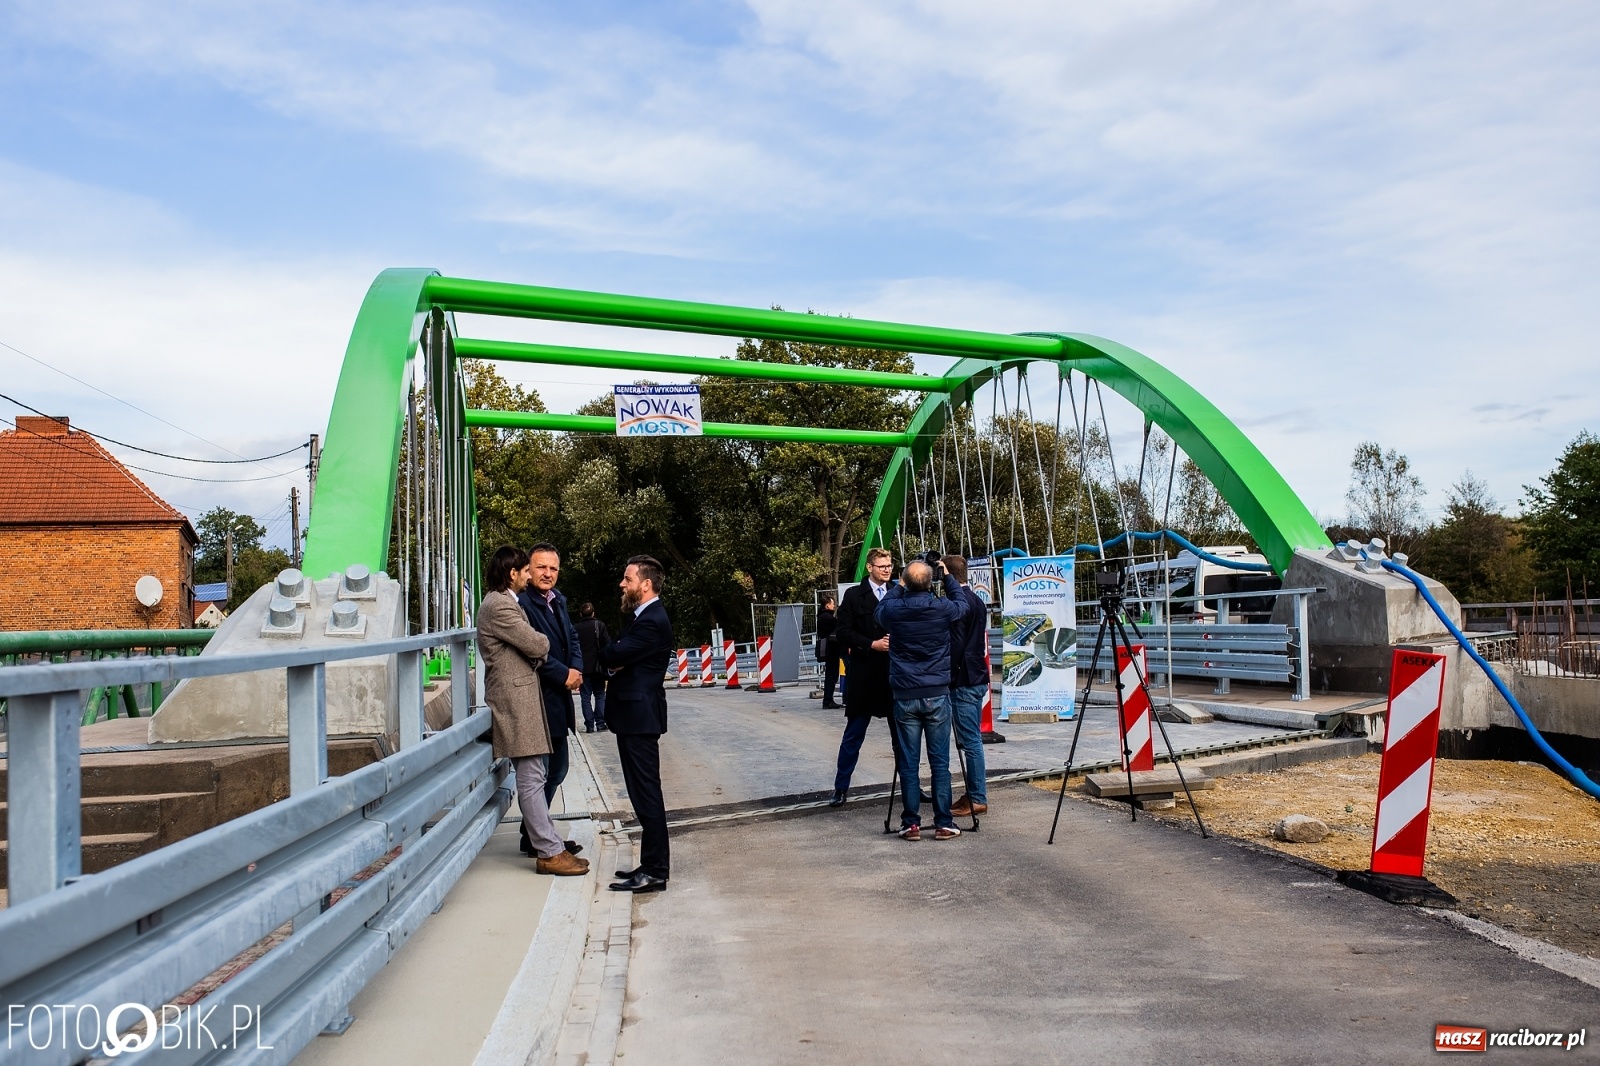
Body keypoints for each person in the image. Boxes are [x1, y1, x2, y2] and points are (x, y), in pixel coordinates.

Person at [477, 546, 588, 876]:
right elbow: (539, 646)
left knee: (541, 774)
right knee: (533, 777)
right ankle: (547, 849)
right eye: (530, 569)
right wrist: (553, 660)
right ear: (514, 573)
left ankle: (547, 843)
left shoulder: (516, 602)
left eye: (553, 568)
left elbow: (564, 640)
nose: (537, 574)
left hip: (529, 698)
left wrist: (574, 668)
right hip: (518, 700)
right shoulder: (502, 605)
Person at [876, 558, 966, 841]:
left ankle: (911, 823)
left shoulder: (894, 610)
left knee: (909, 762)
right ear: (930, 582)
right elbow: (962, 604)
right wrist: (948, 577)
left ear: (904, 581)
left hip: (905, 694)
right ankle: (943, 822)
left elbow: (879, 611)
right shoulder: (941, 608)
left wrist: (900, 586)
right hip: (936, 693)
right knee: (940, 762)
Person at [600, 555, 674, 893]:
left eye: (627, 578)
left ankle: (656, 870)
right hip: (634, 716)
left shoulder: (652, 620)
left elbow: (613, 655)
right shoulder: (640, 617)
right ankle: (649, 865)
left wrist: (615, 657)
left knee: (647, 795)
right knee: (642, 794)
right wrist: (617, 658)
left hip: (640, 717)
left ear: (645, 584)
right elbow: (618, 656)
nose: (622, 584)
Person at [827, 548, 902, 807]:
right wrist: (871, 644)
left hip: (894, 676)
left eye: (890, 565)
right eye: (881, 566)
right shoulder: (854, 595)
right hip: (864, 676)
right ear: (869, 567)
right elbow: (843, 632)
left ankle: (911, 788)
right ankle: (840, 788)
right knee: (853, 735)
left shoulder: (899, 592)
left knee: (902, 737)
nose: (887, 569)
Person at [517, 542, 583, 812]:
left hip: (558, 699)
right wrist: (563, 674)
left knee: (558, 770)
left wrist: (576, 670)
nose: (547, 573)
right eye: (541, 567)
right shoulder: (522, 604)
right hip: (538, 700)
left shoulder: (558, 600)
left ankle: (535, 834)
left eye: (553, 568)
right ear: (527, 570)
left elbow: (573, 638)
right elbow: (530, 651)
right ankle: (535, 836)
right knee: (544, 773)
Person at [942, 555, 991, 817]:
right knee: (970, 740)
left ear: (946, 574)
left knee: (970, 742)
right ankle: (974, 793)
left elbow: (957, 644)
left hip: (962, 680)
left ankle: (977, 797)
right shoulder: (976, 600)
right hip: (975, 676)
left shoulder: (955, 603)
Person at [573, 602, 611, 733]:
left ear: (580, 614)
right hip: (598, 668)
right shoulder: (599, 626)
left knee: (585, 697)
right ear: (593, 613)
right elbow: (607, 644)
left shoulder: (575, 628)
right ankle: (600, 723)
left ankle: (589, 725)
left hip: (582, 668)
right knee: (600, 695)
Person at [817, 593, 841, 709]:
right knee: (832, 675)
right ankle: (828, 700)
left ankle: (828, 699)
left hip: (828, 648)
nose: (834, 606)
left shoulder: (822, 616)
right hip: (831, 649)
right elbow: (838, 626)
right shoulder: (828, 618)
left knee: (830, 674)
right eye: (832, 604)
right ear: (827, 605)